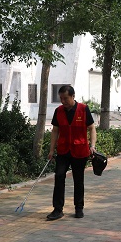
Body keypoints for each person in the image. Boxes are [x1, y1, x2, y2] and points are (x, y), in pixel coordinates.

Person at [47, 85, 97, 220]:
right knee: (59, 177)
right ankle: (58, 209)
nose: (63, 101)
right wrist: (51, 150)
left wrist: (92, 146)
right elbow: (55, 131)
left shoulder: (83, 109)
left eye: (66, 98)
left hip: (80, 150)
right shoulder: (58, 111)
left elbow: (92, 128)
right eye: (61, 98)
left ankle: (79, 208)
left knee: (78, 179)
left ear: (73, 96)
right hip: (63, 150)